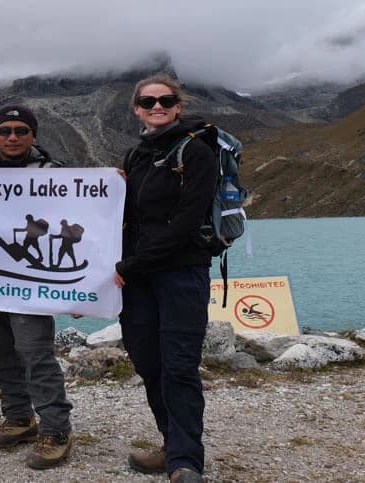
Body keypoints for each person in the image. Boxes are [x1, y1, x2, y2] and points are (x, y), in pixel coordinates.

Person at [115, 74, 217, 483]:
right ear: (137, 108)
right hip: (139, 280)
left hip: (181, 274)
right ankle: (169, 443)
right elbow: (123, 220)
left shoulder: (197, 151)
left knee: (178, 367)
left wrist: (130, 266)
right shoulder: (136, 156)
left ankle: (186, 461)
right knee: (149, 364)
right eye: (148, 101)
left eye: (166, 100)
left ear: (178, 105)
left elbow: (185, 223)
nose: (157, 106)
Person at [0, 104, 74, 470]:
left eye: (21, 130)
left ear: (33, 136)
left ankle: (56, 429)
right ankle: (19, 417)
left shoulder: (53, 172)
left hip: (31, 280)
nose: (12, 137)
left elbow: (86, 212)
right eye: (5, 130)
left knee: (33, 351)